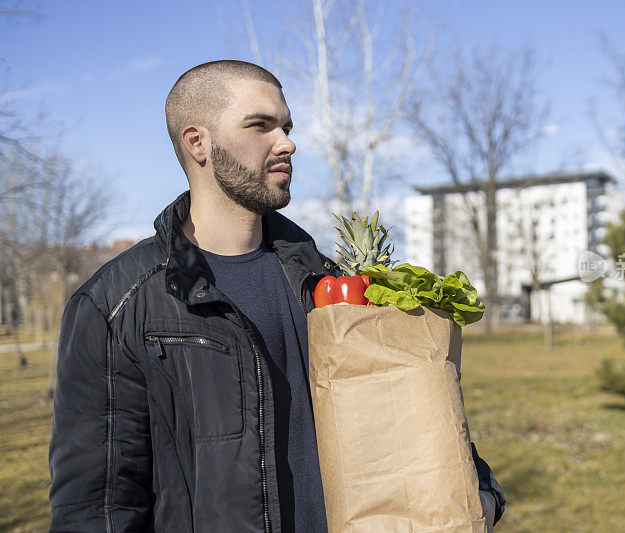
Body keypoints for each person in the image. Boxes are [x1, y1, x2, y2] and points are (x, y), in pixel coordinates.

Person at [48, 60, 505, 532]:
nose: (287, 142)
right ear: (197, 142)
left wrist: (482, 491)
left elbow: (414, 406)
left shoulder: (328, 284)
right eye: (260, 125)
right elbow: (95, 509)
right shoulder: (116, 305)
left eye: (286, 126)